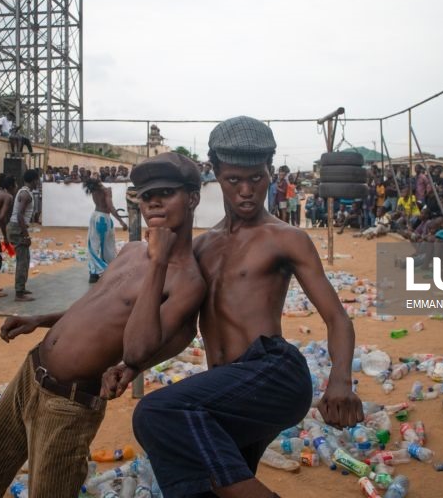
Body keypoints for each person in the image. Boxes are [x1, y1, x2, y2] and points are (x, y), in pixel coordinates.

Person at [111, 116, 363, 498]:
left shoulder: (286, 238)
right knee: (209, 486)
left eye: (257, 179)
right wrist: (132, 365)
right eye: (233, 181)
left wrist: (341, 380)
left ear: (268, 174)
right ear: (215, 174)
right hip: (229, 392)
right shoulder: (202, 247)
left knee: (154, 413)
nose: (246, 191)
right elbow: (180, 331)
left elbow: (336, 318)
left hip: (273, 372)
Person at [0, 152, 206, 498]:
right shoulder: (132, 251)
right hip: (30, 375)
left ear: (192, 197)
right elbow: (93, 309)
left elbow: (135, 350)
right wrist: (38, 320)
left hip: (67, 405)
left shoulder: (186, 282)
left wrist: (160, 261)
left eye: (166, 192)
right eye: (146, 195)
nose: (154, 202)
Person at [83, 177, 128, 284]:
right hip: (105, 219)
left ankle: (94, 273)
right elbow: (110, 207)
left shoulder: (94, 191)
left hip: (96, 217)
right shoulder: (106, 190)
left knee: (94, 246)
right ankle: (109, 270)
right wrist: (121, 221)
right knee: (108, 246)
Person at [7, 169, 40, 302]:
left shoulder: (23, 192)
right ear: (34, 180)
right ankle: (19, 293)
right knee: (22, 260)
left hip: (16, 227)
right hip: (18, 229)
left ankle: (21, 287)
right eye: (38, 179)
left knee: (25, 258)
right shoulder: (26, 194)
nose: (38, 182)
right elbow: (20, 215)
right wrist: (26, 236)